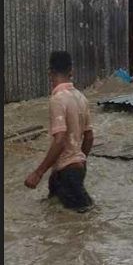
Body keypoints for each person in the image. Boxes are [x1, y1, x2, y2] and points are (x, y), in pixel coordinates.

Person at [25, 51, 94, 213]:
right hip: (70, 171)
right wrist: (80, 160)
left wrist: (38, 172)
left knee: (83, 221)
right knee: (56, 216)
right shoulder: (81, 97)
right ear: (72, 71)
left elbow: (60, 140)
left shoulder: (57, 99)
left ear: (50, 72)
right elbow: (89, 137)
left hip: (67, 173)